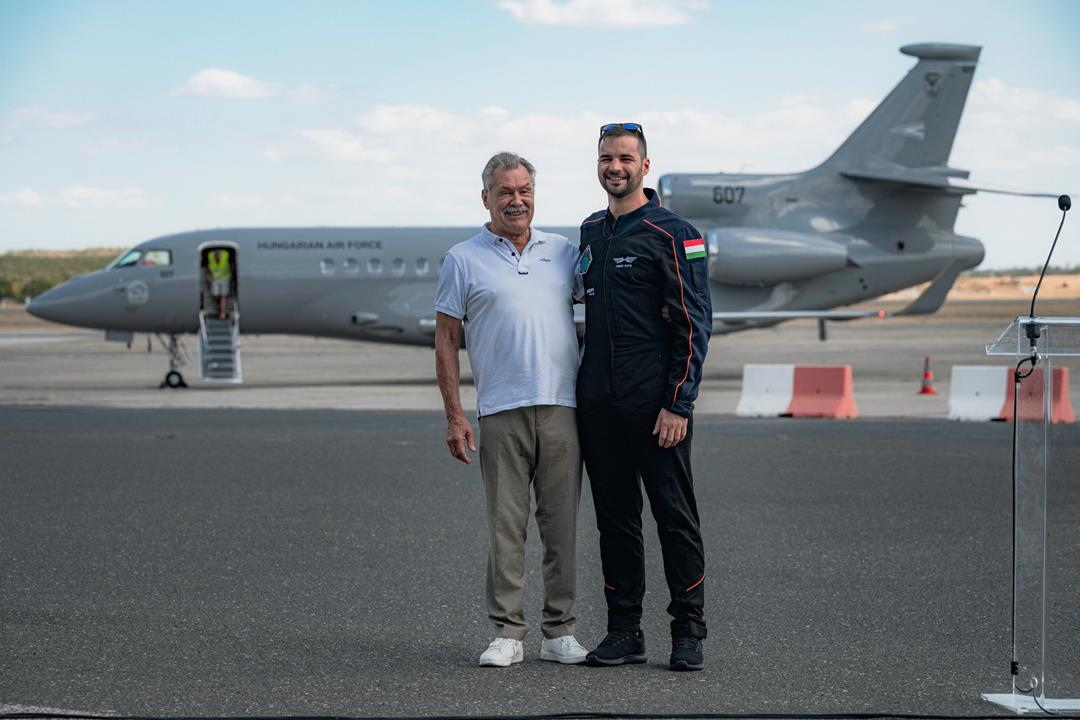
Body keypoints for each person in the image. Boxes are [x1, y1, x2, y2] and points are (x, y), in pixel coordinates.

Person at [434, 151, 588, 667]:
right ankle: (507, 632)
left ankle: (559, 631)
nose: (516, 200)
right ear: (486, 198)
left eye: (524, 191)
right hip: (501, 409)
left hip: (563, 407)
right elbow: (446, 339)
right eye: (505, 192)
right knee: (506, 527)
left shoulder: (564, 252)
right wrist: (455, 415)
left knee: (561, 524)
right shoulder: (463, 258)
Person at [576, 123, 712, 671]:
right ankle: (624, 630)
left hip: (655, 405)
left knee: (674, 517)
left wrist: (679, 402)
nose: (616, 167)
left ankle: (689, 630)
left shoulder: (675, 233)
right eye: (607, 158)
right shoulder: (591, 232)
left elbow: (694, 322)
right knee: (615, 520)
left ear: (645, 166)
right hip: (599, 403)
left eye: (625, 158)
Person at [205, 248, 232, 320]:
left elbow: (231, 265)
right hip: (215, 279)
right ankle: (219, 305)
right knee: (215, 294)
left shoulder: (226, 254)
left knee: (223, 295)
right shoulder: (210, 256)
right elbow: (207, 267)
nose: (218, 257)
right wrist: (208, 276)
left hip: (225, 277)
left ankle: (222, 313)